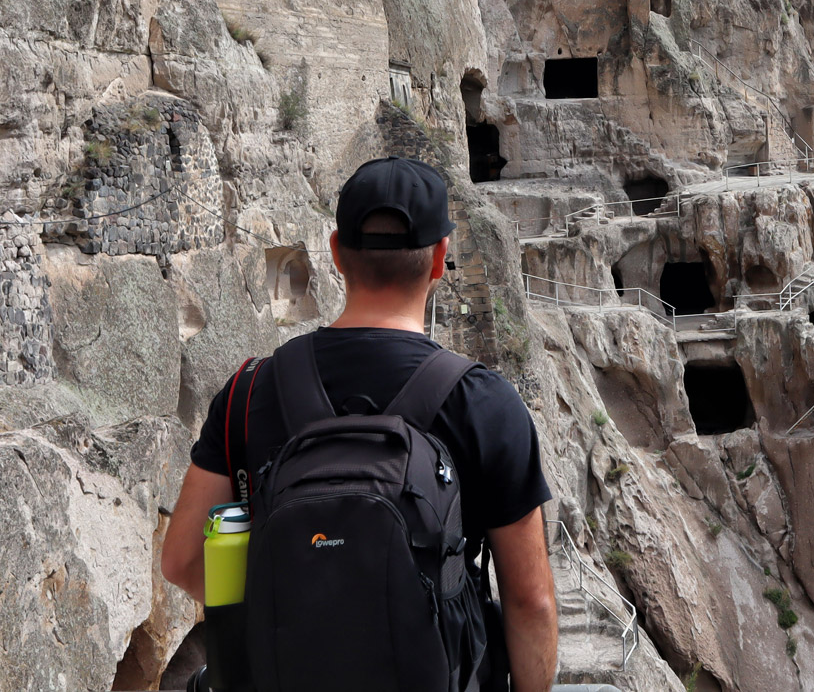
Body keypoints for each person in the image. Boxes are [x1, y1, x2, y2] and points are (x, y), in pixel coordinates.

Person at [162, 156, 558, 692]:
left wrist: (296, 611)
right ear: (441, 258)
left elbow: (183, 559)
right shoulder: (484, 403)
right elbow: (530, 600)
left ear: (335, 254)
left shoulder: (249, 392)